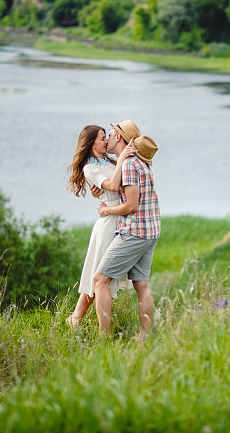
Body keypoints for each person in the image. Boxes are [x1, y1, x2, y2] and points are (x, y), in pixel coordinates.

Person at [92, 120, 160, 339]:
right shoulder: (140, 162)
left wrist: (107, 210)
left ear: (119, 137)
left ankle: (105, 337)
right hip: (150, 231)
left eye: (111, 134)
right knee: (142, 285)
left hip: (134, 232)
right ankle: (144, 337)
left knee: (99, 280)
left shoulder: (129, 164)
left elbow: (131, 205)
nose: (108, 138)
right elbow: (115, 185)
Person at [65, 124, 137, 329]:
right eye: (102, 138)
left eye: (106, 137)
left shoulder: (107, 162)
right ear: (91, 143)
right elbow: (113, 186)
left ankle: (75, 318)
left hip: (118, 218)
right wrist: (122, 159)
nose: (106, 141)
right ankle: (79, 319)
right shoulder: (91, 167)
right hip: (108, 223)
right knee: (99, 275)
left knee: (99, 275)